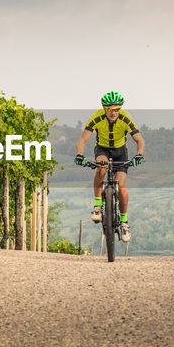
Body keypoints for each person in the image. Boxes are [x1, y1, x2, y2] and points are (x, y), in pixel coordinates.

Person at [74, 91, 145, 242]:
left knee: (121, 186)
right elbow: (82, 139)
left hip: (121, 152)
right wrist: (79, 154)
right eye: (110, 109)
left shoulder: (125, 118)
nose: (114, 113)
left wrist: (139, 154)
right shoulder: (97, 117)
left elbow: (140, 140)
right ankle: (98, 206)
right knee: (102, 168)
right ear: (104, 108)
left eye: (117, 109)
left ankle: (124, 223)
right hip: (102, 149)